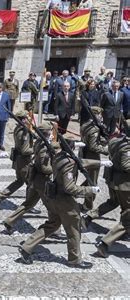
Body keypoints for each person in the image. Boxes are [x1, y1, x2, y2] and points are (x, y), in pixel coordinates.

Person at [18, 139, 103, 269]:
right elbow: (70, 188)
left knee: (52, 224)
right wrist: (89, 190)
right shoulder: (69, 163)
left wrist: (101, 163)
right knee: (74, 229)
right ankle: (75, 259)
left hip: (53, 198)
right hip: (65, 201)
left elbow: (81, 162)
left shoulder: (59, 156)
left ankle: (27, 247)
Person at [2, 122, 54, 234]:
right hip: (42, 181)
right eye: (50, 131)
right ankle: (55, 229)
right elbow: (44, 168)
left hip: (35, 179)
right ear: (48, 133)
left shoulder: (40, 142)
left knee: (28, 203)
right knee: (52, 205)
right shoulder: (44, 147)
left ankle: (9, 220)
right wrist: (54, 169)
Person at [94, 121, 130, 258]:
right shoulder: (127, 147)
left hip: (115, 182)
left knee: (125, 212)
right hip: (125, 185)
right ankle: (105, 243)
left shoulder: (115, 140)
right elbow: (126, 165)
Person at [0, 110, 34, 211]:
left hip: (18, 160)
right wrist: (36, 149)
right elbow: (25, 150)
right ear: (23, 119)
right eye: (26, 118)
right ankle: (29, 205)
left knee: (19, 181)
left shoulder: (17, 129)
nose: (28, 119)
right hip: (24, 162)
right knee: (31, 184)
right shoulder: (24, 132)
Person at [79, 106, 108, 212]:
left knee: (90, 178)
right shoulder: (94, 128)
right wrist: (106, 151)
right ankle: (87, 205)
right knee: (93, 182)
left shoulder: (85, 125)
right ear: (95, 115)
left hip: (85, 154)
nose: (101, 116)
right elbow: (93, 146)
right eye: (99, 114)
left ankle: (76, 192)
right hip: (92, 157)